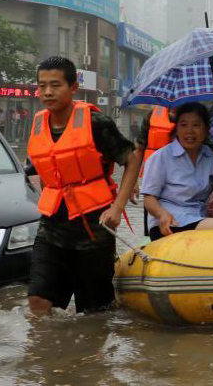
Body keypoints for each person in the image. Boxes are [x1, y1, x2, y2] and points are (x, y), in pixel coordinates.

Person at [25, 57, 139, 316]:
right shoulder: (38, 124)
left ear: (73, 87)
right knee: (38, 303)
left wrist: (117, 208)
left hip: (94, 231)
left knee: (95, 314)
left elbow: (131, 161)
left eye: (56, 85)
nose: (48, 92)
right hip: (52, 230)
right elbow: (42, 172)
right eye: (42, 86)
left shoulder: (97, 124)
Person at [141, 102, 213, 240]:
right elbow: (149, 198)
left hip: (199, 216)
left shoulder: (208, 155)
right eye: (183, 125)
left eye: (196, 125)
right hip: (171, 223)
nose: (189, 131)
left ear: (206, 130)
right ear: (176, 129)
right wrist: (161, 214)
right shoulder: (161, 157)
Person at [133, 105, 213, 195]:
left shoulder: (198, 118)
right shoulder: (153, 116)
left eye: (194, 125)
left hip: (189, 187)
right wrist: (132, 183)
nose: (189, 130)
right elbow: (139, 150)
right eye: (183, 125)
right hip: (157, 183)